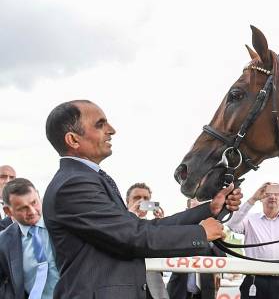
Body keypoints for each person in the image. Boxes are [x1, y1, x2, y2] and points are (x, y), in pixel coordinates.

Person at [42, 100, 241, 299]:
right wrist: (200, 233)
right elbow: (133, 237)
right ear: (73, 140)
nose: (112, 130)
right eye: (100, 124)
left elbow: (142, 228)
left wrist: (209, 209)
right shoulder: (73, 185)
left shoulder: (83, 179)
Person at [226, 182, 279, 299]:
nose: (272, 197)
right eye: (268, 193)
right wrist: (252, 199)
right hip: (254, 280)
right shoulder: (250, 219)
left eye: (277, 194)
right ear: (261, 198)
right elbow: (232, 224)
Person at [0, 178, 60, 299]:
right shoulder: (3, 242)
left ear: (38, 195)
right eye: (23, 208)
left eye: (34, 203)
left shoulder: (62, 224)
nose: (32, 211)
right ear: (8, 211)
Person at [167, 198, 224, 299]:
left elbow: (222, 257)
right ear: (187, 210)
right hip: (179, 289)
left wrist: (210, 240)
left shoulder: (215, 230)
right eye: (195, 209)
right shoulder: (178, 230)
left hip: (205, 291)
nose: (198, 213)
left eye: (202, 209)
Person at [126, 183, 170, 299]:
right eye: (136, 198)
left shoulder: (155, 227)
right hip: (127, 287)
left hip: (154, 289)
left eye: (146, 198)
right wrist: (130, 216)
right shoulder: (118, 223)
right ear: (127, 202)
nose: (141, 201)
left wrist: (162, 224)